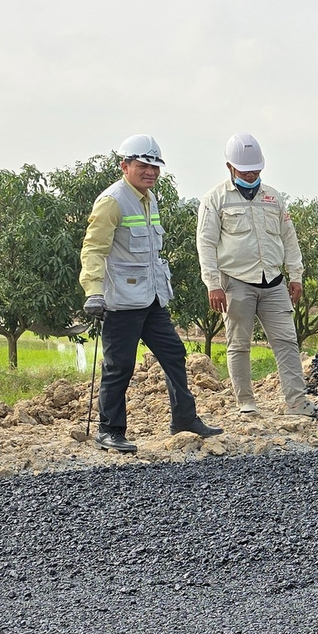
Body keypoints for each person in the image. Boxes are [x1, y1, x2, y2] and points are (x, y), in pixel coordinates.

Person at [79, 135, 223, 454]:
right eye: (143, 166)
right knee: (120, 365)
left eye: (155, 167)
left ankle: (184, 418)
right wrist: (93, 291)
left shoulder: (149, 198)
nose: (151, 172)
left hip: (152, 298)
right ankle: (109, 431)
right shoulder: (112, 201)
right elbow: (93, 249)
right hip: (121, 301)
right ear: (125, 166)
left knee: (173, 353)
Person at [197, 133, 318, 418]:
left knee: (287, 341)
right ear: (230, 167)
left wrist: (296, 274)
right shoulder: (215, 199)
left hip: (274, 281)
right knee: (239, 344)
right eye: (245, 170)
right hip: (236, 281)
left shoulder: (273, 197)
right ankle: (246, 402)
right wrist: (213, 284)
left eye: (256, 170)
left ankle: (296, 402)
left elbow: (289, 238)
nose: (251, 175)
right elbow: (205, 243)